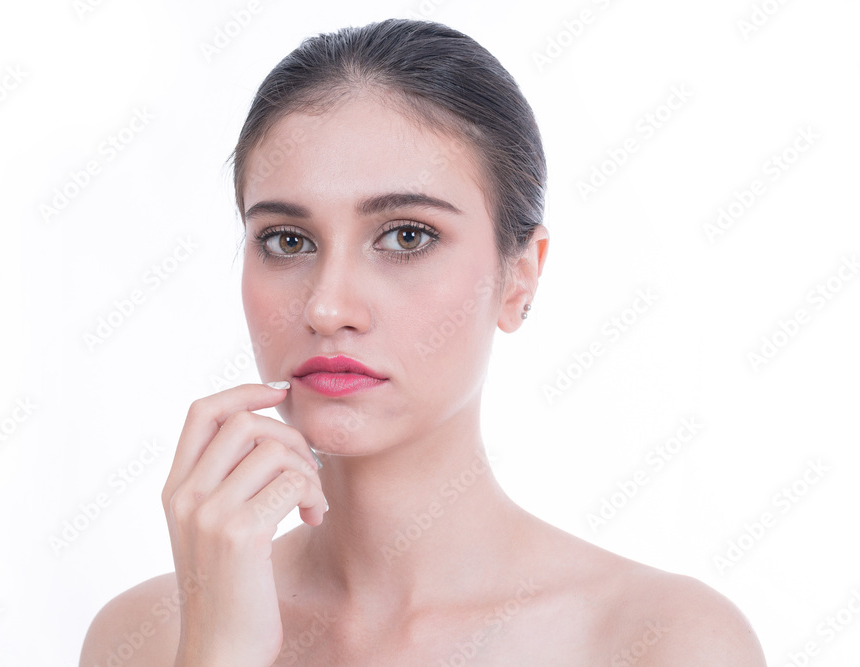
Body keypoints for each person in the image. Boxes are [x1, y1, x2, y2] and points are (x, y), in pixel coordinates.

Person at [80, 18, 766, 666]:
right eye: (288, 240)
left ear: (519, 277)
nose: (327, 306)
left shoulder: (662, 640)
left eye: (407, 236)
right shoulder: (148, 636)